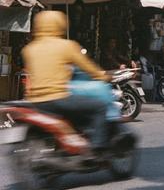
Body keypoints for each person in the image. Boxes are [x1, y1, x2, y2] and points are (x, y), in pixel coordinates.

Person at [21, 11, 110, 155]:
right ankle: (96, 149)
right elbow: (87, 67)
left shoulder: (29, 49)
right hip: (58, 98)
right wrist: (103, 76)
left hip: (35, 102)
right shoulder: (66, 46)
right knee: (99, 106)